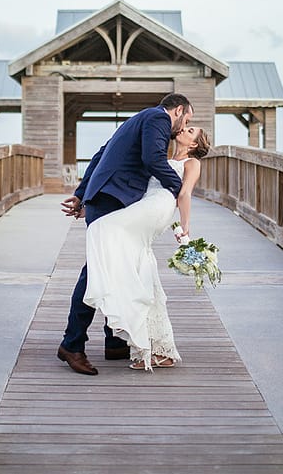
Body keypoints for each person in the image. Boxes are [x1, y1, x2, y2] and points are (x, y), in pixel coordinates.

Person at [57, 93, 193, 375]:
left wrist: (82, 195)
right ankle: (72, 344)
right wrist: (178, 188)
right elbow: (153, 159)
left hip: (107, 195)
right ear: (177, 110)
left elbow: (99, 155)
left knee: (115, 266)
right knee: (97, 270)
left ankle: (115, 341)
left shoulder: (136, 119)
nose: (182, 128)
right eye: (186, 120)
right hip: (113, 197)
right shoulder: (157, 117)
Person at [83, 125, 211, 371]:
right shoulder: (160, 158)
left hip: (159, 206)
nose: (184, 128)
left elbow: (184, 194)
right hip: (145, 204)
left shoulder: (192, 163)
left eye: (191, 130)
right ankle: (157, 348)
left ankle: (112, 300)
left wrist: (185, 227)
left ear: (195, 143)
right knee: (141, 267)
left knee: (102, 228)